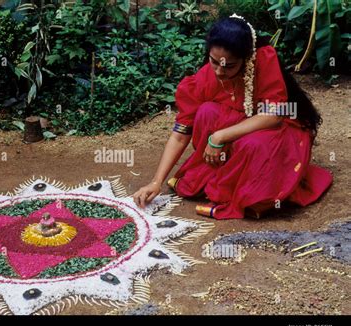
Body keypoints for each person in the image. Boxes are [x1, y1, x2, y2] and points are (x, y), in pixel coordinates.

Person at [133, 14, 333, 220]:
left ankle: (248, 189)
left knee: (252, 145)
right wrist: (156, 181)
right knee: (206, 113)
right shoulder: (204, 78)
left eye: (229, 66)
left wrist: (220, 136)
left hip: (277, 133)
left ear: (246, 58)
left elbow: (274, 117)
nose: (219, 71)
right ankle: (224, 177)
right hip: (242, 129)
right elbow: (180, 133)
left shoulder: (264, 59)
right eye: (214, 62)